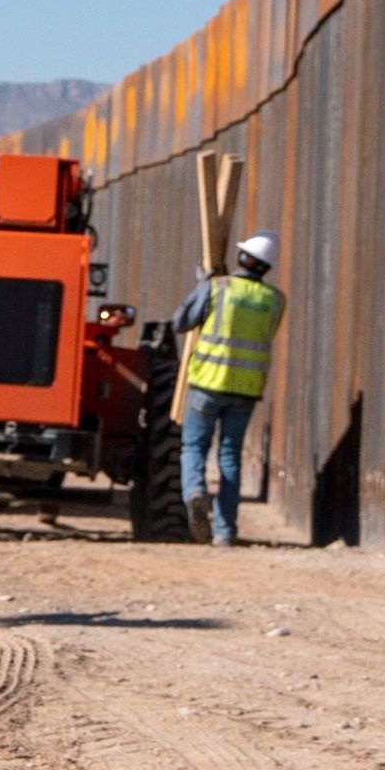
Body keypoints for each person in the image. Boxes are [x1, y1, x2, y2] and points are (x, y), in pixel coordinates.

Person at [170, 231, 285, 546]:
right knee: (230, 456)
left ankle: (194, 491)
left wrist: (201, 286)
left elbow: (179, 322)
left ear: (243, 258)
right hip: (245, 390)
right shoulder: (275, 300)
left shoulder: (217, 288)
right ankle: (224, 532)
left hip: (207, 383)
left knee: (194, 448)